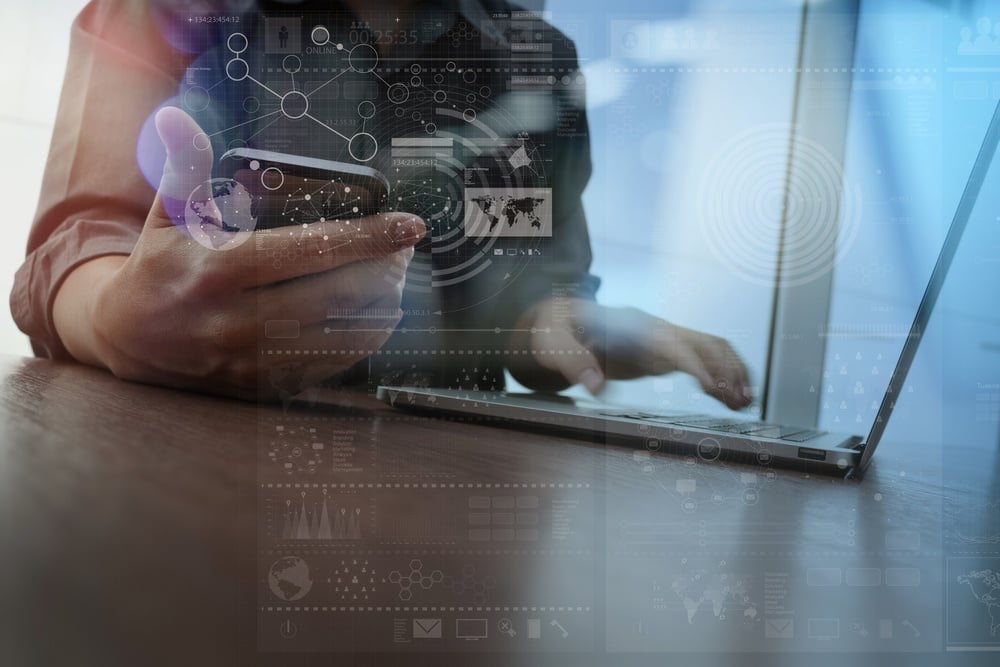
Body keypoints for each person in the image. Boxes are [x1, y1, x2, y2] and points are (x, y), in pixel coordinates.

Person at [10, 0, 751, 409]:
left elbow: (522, 265)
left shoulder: (537, 61)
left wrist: (561, 320)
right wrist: (117, 315)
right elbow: (79, 243)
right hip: (200, 465)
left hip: (450, 494)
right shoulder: (202, 23)